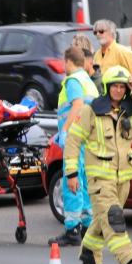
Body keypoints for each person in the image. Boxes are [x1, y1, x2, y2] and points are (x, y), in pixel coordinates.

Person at [64, 66, 132, 264]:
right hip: (100, 181)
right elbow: (73, 140)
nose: (117, 90)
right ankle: (129, 262)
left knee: (102, 219)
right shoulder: (90, 111)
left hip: (123, 179)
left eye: (121, 86)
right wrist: (71, 174)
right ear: (107, 87)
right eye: (114, 85)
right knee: (114, 221)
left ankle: (89, 261)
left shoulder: (128, 111)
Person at [48, 47, 98, 247]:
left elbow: (76, 105)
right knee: (83, 184)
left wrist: (65, 131)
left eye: (62, 62)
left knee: (72, 182)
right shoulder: (89, 82)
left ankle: (72, 230)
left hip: (75, 141)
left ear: (68, 62)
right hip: (87, 140)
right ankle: (86, 228)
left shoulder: (73, 81)